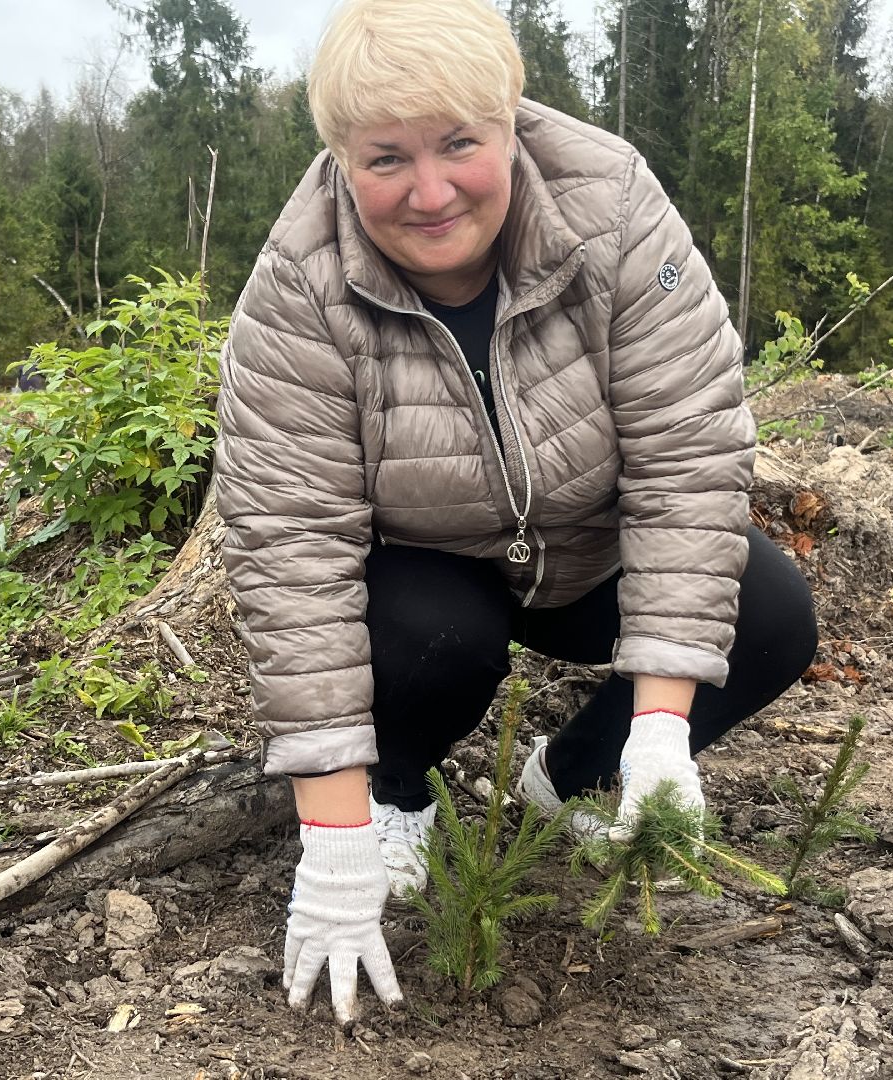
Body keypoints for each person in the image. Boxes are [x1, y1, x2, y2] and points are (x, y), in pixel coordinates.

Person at [214, 0, 818, 1026]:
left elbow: (688, 455)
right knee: (423, 640)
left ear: (509, 122)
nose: (431, 191)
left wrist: (662, 725)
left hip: (590, 549)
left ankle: (575, 778)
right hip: (429, 568)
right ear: (338, 158)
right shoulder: (299, 291)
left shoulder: (611, 208)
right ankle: (397, 797)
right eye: (386, 157)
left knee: (770, 612)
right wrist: (333, 828)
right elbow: (289, 549)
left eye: (459, 144)